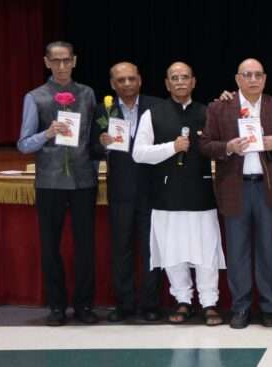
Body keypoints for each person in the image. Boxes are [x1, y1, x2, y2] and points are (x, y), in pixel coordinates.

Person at [200, 58, 272, 329]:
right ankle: (240, 307)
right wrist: (228, 147)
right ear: (238, 78)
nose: (253, 79)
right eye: (247, 75)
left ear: (265, 79)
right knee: (238, 251)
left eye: (258, 75)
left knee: (268, 249)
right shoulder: (220, 107)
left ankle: (268, 306)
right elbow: (205, 145)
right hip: (235, 187)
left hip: (267, 189)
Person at [132, 62, 226, 326]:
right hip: (166, 195)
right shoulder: (153, 114)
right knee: (173, 252)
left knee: (205, 251)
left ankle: (209, 303)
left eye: (185, 77)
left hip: (201, 194)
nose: (180, 82)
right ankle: (182, 300)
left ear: (194, 82)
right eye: (175, 78)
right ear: (167, 83)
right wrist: (172, 147)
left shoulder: (208, 112)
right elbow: (139, 153)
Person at [17, 41, 99, 326]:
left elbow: (92, 137)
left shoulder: (87, 94)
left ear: (75, 61)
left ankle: (84, 305)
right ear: (47, 62)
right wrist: (47, 133)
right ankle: (55, 306)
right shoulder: (35, 97)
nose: (62, 66)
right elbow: (23, 145)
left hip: (83, 181)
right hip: (50, 182)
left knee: (85, 247)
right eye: (56, 61)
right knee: (50, 246)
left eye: (67, 60)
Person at [92, 62, 164, 323]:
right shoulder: (104, 110)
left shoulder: (156, 106)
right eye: (120, 80)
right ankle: (124, 304)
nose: (126, 84)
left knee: (150, 250)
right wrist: (101, 145)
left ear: (140, 80)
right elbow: (91, 148)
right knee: (121, 249)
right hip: (120, 190)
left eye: (131, 78)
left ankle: (151, 304)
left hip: (152, 190)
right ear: (113, 84)